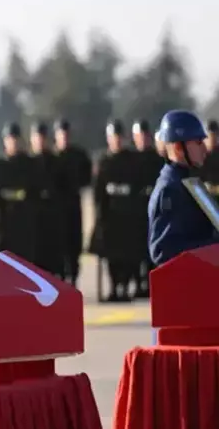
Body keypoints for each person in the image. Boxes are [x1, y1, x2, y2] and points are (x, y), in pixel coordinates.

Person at [148, 110, 218, 267]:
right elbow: (162, 250)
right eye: (199, 142)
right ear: (179, 148)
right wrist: (212, 246)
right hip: (187, 284)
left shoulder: (188, 182)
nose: (205, 149)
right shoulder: (170, 189)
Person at [89, 119, 145, 302]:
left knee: (128, 255)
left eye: (119, 137)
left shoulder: (132, 161)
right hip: (111, 216)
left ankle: (124, 287)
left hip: (128, 215)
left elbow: (138, 187)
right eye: (114, 137)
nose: (117, 141)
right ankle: (114, 288)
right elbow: (98, 192)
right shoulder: (104, 162)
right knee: (111, 256)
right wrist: (99, 215)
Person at [0, 122, 39, 264]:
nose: (14, 143)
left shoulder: (30, 164)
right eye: (10, 139)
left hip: (25, 227)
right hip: (5, 225)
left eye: (16, 139)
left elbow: (33, 193)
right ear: (5, 141)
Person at [53, 118, 93, 287]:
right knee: (58, 245)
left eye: (67, 135)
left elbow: (87, 177)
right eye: (61, 135)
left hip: (73, 206)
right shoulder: (52, 158)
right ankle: (61, 277)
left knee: (74, 244)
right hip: (56, 209)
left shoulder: (79, 155)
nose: (64, 138)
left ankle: (74, 278)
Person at [130, 120, 163, 297]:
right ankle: (138, 284)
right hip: (135, 214)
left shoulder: (157, 160)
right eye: (139, 136)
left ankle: (151, 285)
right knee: (136, 251)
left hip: (153, 213)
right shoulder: (130, 161)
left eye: (145, 136)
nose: (142, 139)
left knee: (152, 251)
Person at [28, 122, 65, 277]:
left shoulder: (56, 162)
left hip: (52, 217)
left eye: (42, 138)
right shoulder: (27, 163)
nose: (40, 141)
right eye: (37, 138)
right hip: (34, 218)